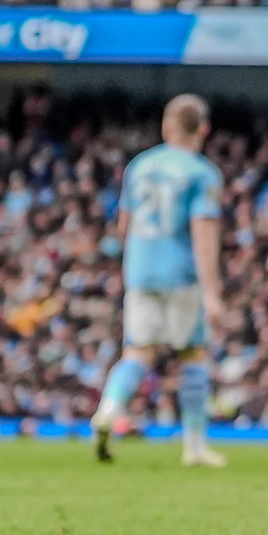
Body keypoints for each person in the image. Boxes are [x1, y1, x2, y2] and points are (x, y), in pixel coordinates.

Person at [91, 93, 228, 469]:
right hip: (181, 273)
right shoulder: (202, 173)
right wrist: (213, 293)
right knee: (192, 353)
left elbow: (124, 226)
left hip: (141, 271)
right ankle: (195, 446)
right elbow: (203, 233)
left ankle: (108, 409)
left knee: (137, 352)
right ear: (204, 129)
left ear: (167, 127)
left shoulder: (139, 166)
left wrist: (131, 267)